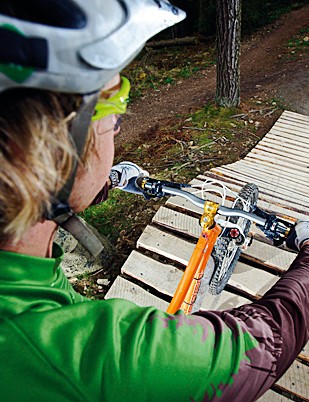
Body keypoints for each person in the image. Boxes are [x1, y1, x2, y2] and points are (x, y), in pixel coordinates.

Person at [0, 1, 308, 401]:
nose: (118, 124)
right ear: (48, 149)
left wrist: (101, 183)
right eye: (113, 105)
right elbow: (263, 343)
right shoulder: (93, 357)